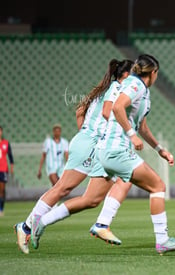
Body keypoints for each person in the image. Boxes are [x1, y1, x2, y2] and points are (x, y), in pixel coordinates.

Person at [53, 54, 175, 255]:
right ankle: (160, 240)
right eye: (157, 73)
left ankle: (101, 224)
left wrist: (160, 150)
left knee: (98, 196)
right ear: (153, 73)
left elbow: (142, 126)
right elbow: (117, 107)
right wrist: (132, 135)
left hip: (112, 150)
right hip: (115, 148)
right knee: (157, 186)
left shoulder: (140, 89)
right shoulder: (135, 85)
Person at [14, 59, 133, 254]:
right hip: (91, 143)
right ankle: (26, 226)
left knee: (97, 196)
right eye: (134, 74)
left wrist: (84, 132)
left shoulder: (104, 89)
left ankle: (102, 225)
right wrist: (89, 135)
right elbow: (106, 113)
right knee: (63, 187)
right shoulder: (117, 90)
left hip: (95, 144)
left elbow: (80, 111)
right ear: (126, 75)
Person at [0, 126, 14, 216]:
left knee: (2, 190)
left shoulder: (6, 143)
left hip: (3, 169)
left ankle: (1, 209)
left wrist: (12, 167)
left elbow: (10, 156)